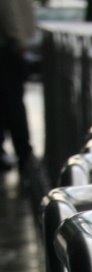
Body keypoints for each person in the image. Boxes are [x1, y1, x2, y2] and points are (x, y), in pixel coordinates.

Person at [0, 0, 37, 182]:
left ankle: (22, 155)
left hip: (8, 44)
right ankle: (25, 157)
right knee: (13, 104)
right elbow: (8, 9)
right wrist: (20, 40)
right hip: (8, 47)